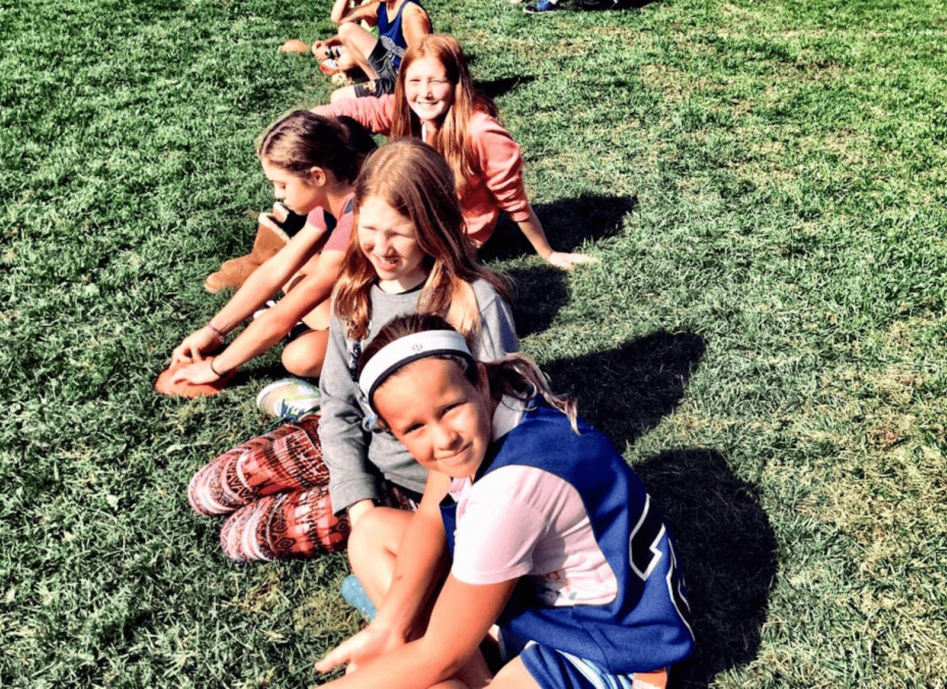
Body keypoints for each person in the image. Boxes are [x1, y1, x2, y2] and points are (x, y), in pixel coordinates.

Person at [313, 313, 695, 689]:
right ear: (391, 430)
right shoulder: (503, 397)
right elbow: (431, 515)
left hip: (608, 648)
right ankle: (478, 664)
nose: (444, 437)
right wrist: (389, 626)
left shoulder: (511, 489)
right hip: (548, 599)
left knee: (432, 675)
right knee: (372, 532)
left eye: (449, 409)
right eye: (415, 426)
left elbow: (441, 655)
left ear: (478, 379)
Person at [186, 139, 518, 562]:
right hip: (352, 443)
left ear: (434, 224)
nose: (381, 248)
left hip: (419, 482)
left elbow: (503, 425)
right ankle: (306, 413)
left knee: (242, 537)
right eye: (369, 231)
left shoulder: (474, 301)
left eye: (399, 233)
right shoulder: (354, 294)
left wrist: (377, 521)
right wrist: (357, 500)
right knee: (208, 490)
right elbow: (340, 405)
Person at [316, 35, 597, 270]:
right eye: (414, 82)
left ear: (455, 83)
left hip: (456, 232)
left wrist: (547, 252)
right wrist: (311, 118)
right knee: (344, 217)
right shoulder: (410, 112)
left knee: (363, 250)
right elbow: (363, 111)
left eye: (436, 82)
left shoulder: (479, 131)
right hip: (413, 212)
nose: (425, 93)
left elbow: (513, 200)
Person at [167, 112, 374, 389]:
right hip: (365, 296)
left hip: (401, 319)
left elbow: (286, 315)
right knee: (293, 269)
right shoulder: (333, 196)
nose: (278, 195)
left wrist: (217, 367)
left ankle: (319, 335)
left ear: (316, 176)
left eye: (282, 184)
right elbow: (276, 270)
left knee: (300, 357)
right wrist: (213, 331)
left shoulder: (359, 216)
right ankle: (312, 328)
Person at [328, 0, 433, 101]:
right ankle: (376, 85)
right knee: (346, 29)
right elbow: (339, 18)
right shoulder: (381, 4)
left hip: (405, 84)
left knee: (338, 97)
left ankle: (387, 99)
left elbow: (425, 64)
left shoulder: (410, 14)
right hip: (390, 72)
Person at [280, 0, 372, 73]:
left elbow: (367, 44)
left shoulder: (370, 1)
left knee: (347, 61)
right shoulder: (354, 1)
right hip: (368, 53)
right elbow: (352, 34)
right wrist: (328, 43)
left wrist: (332, 51)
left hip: (379, 56)